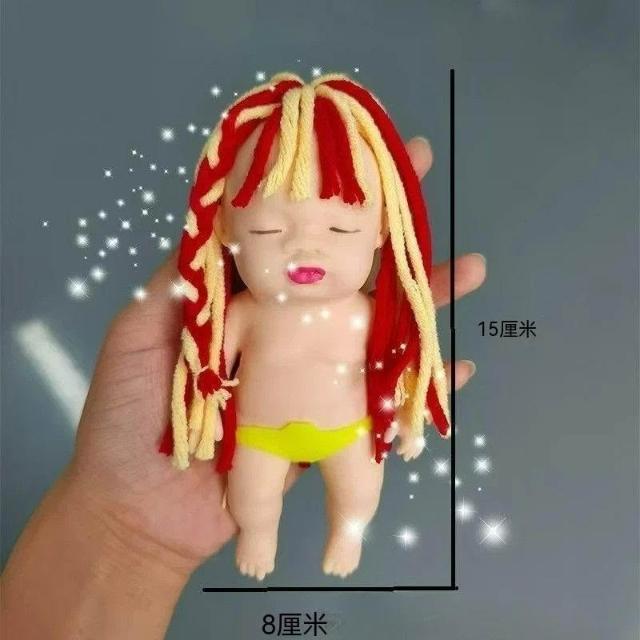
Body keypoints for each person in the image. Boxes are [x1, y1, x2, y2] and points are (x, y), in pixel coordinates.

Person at [1, 137, 486, 639]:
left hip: (350, 431)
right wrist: (203, 408)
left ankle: (348, 532)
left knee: (359, 491)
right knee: (251, 499)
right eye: (268, 229)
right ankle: (258, 534)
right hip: (259, 436)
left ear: (381, 229)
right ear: (227, 229)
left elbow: (400, 362)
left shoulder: (368, 316)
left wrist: (408, 409)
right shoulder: (244, 312)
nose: (306, 249)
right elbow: (207, 364)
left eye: (340, 229)